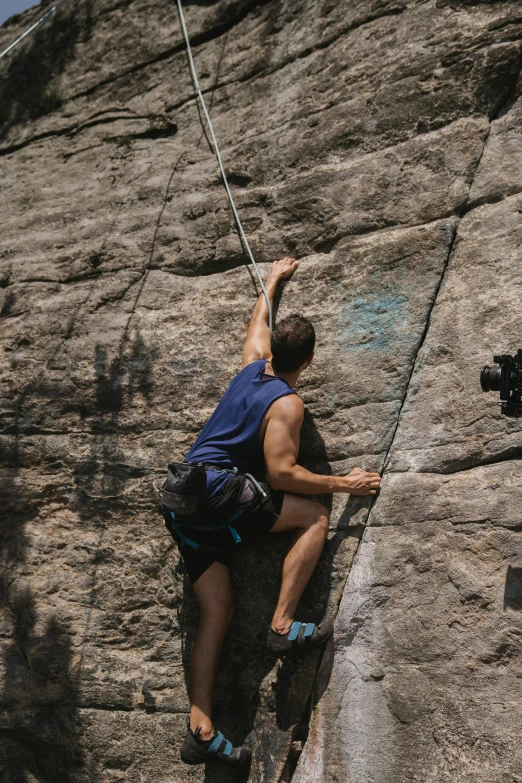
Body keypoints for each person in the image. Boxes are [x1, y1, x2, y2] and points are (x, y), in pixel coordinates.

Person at [163, 257, 381, 768]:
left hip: (182, 498)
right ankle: (282, 624)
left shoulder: (250, 365)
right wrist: (343, 483)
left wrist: (273, 281)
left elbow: (257, 323)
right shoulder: (287, 403)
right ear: (308, 360)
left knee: (217, 611)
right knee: (314, 517)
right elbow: (282, 474)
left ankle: (200, 728)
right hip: (218, 493)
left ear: (274, 352)